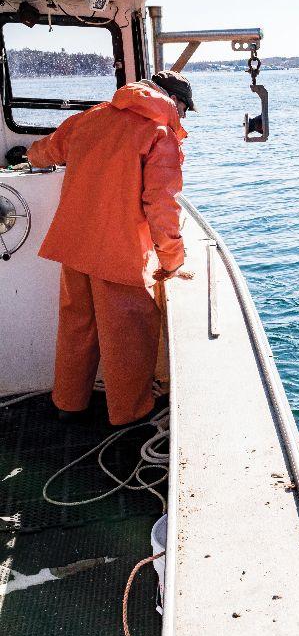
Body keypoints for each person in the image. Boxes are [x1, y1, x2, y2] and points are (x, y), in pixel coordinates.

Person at [26, 71, 196, 426]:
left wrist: (28, 155)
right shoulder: (159, 133)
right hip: (119, 255)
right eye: (184, 109)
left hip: (73, 247)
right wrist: (173, 260)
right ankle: (130, 416)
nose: (181, 116)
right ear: (174, 102)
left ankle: (67, 405)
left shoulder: (90, 117)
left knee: (77, 328)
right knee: (128, 339)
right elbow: (161, 207)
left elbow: (44, 152)